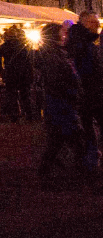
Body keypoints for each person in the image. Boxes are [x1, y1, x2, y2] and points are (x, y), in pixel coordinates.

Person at [36, 21, 85, 178]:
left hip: (61, 103)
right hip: (60, 103)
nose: (64, 36)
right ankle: (80, 172)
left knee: (58, 140)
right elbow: (56, 80)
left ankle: (46, 170)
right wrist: (71, 92)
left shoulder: (57, 52)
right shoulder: (51, 55)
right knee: (73, 138)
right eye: (61, 33)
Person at [64, 12, 103, 168]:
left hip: (90, 92)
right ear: (86, 23)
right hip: (88, 93)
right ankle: (89, 159)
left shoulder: (83, 41)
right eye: (94, 22)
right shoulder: (80, 43)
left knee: (87, 127)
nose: (98, 26)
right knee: (87, 127)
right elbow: (85, 70)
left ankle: (89, 158)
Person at [0, 24, 34, 121]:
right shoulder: (22, 46)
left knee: (12, 96)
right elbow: (29, 61)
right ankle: (28, 115)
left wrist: (1, 70)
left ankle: (15, 115)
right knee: (25, 95)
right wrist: (30, 74)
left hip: (11, 74)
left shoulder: (5, 46)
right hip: (23, 74)